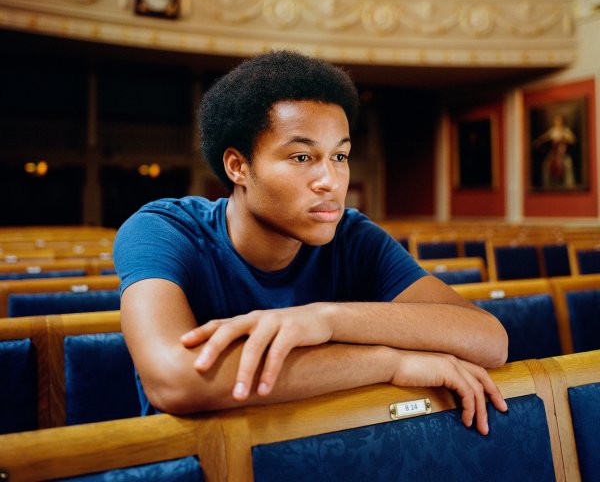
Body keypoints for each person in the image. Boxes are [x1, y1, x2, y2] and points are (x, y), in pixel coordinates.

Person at [114, 50, 508, 436]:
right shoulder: (163, 229)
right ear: (238, 167)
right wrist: (390, 363)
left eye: (339, 156)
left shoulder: (352, 236)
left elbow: (489, 340)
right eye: (302, 157)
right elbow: (175, 379)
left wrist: (325, 319)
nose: (331, 180)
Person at [532, 113, 577, 189]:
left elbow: (573, 140)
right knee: (546, 164)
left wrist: (566, 139)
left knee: (568, 163)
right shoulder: (553, 130)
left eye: (559, 120)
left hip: (562, 152)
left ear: (562, 121)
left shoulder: (566, 130)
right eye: (556, 121)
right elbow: (545, 137)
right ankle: (547, 185)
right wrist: (538, 141)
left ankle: (569, 185)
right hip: (554, 152)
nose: (558, 122)